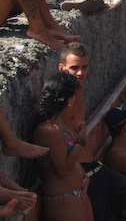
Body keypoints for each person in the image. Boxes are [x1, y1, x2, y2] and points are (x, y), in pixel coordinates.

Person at [33, 72, 94, 221]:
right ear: (68, 99)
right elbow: (62, 169)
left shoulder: (57, 123)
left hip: (75, 194)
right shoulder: (48, 130)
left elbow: (68, 158)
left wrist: (84, 176)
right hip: (63, 199)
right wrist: (79, 142)